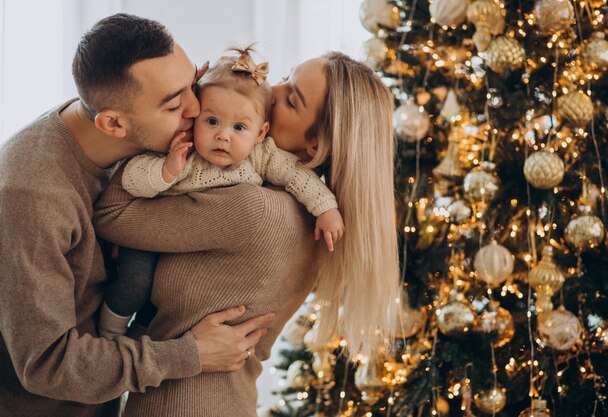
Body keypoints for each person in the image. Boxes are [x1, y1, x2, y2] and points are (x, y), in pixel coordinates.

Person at [92, 50, 400, 416]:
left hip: (183, 406)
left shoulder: (251, 208)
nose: (271, 90)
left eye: (290, 98)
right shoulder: (311, 216)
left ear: (316, 143)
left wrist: (165, 126)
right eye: (285, 77)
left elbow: (111, 214)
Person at [0, 14, 278, 417]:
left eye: (192, 83)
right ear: (113, 123)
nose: (197, 108)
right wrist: (189, 354)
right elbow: (46, 365)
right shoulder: (32, 195)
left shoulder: (134, 143)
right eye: (174, 102)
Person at [98, 47, 345, 340]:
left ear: (261, 131)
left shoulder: (260, 159)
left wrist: (326, 208)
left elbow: (298, 176)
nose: (223, 136)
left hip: (173, 244)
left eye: (239, 127)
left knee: (151, 305)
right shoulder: (186, 148)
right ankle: (110, 332)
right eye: (212, 121)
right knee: (134, 282)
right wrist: (166, 170)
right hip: (153, 230)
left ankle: (132, 340)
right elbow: (134, 177)